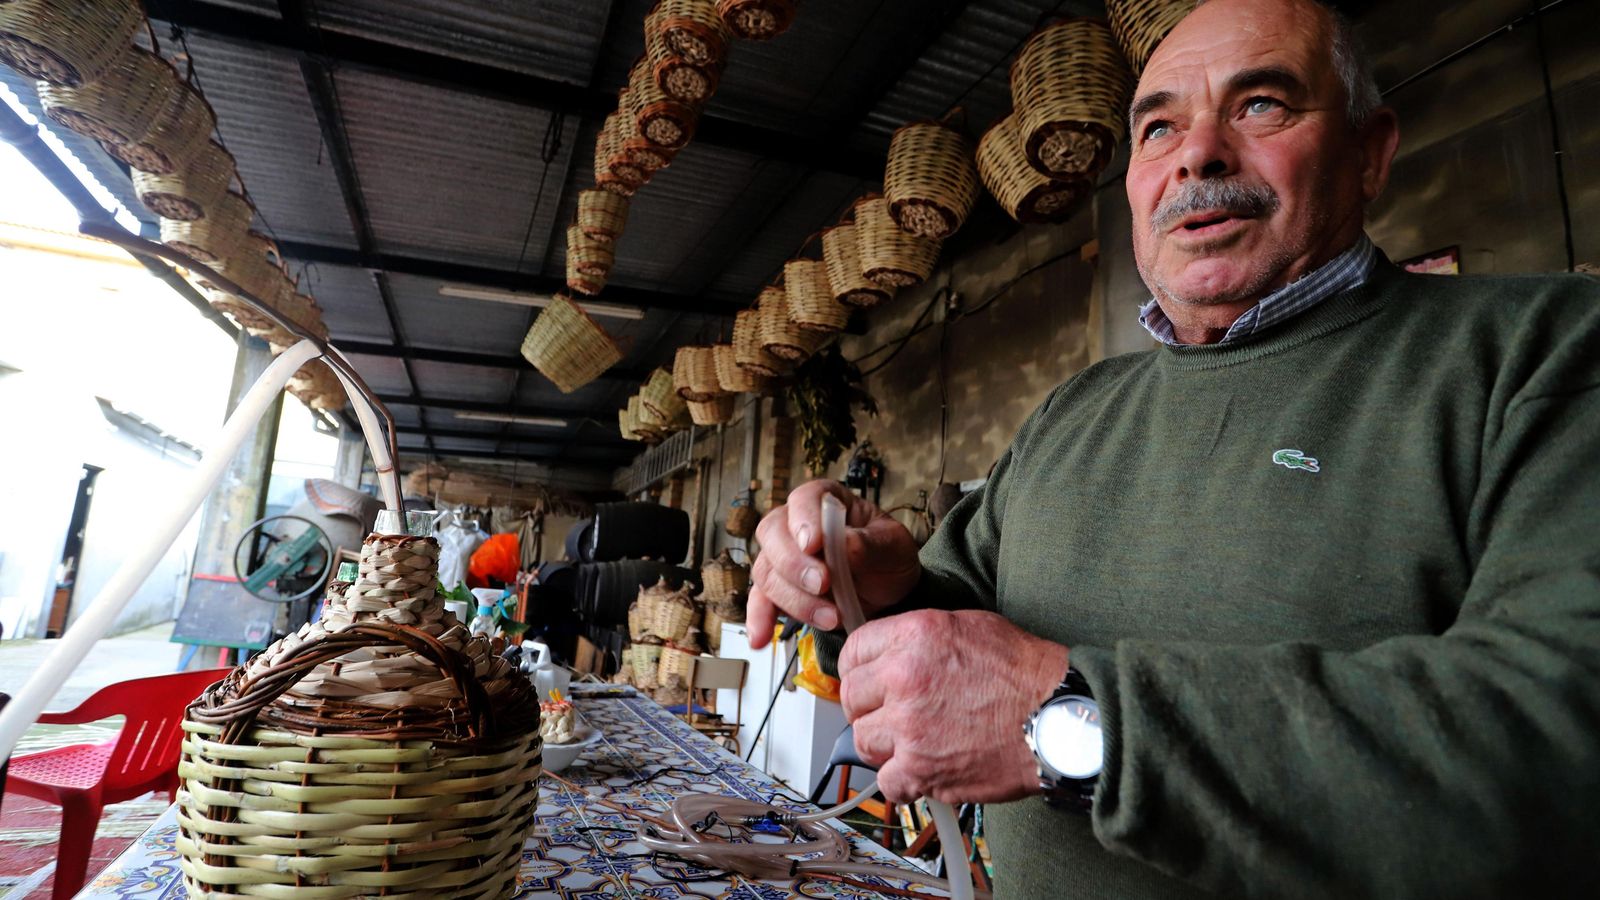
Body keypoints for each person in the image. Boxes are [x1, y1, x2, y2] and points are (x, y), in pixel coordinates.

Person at [748, 0, 1600, 896]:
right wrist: (869, 586)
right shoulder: (1077, 410)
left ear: (1370, 152)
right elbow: (948, 621)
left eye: (1261, 104)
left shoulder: (1542, 350)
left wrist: (1070, 719)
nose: (1198, 154)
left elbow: (1561, 738)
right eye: (1159, 127)